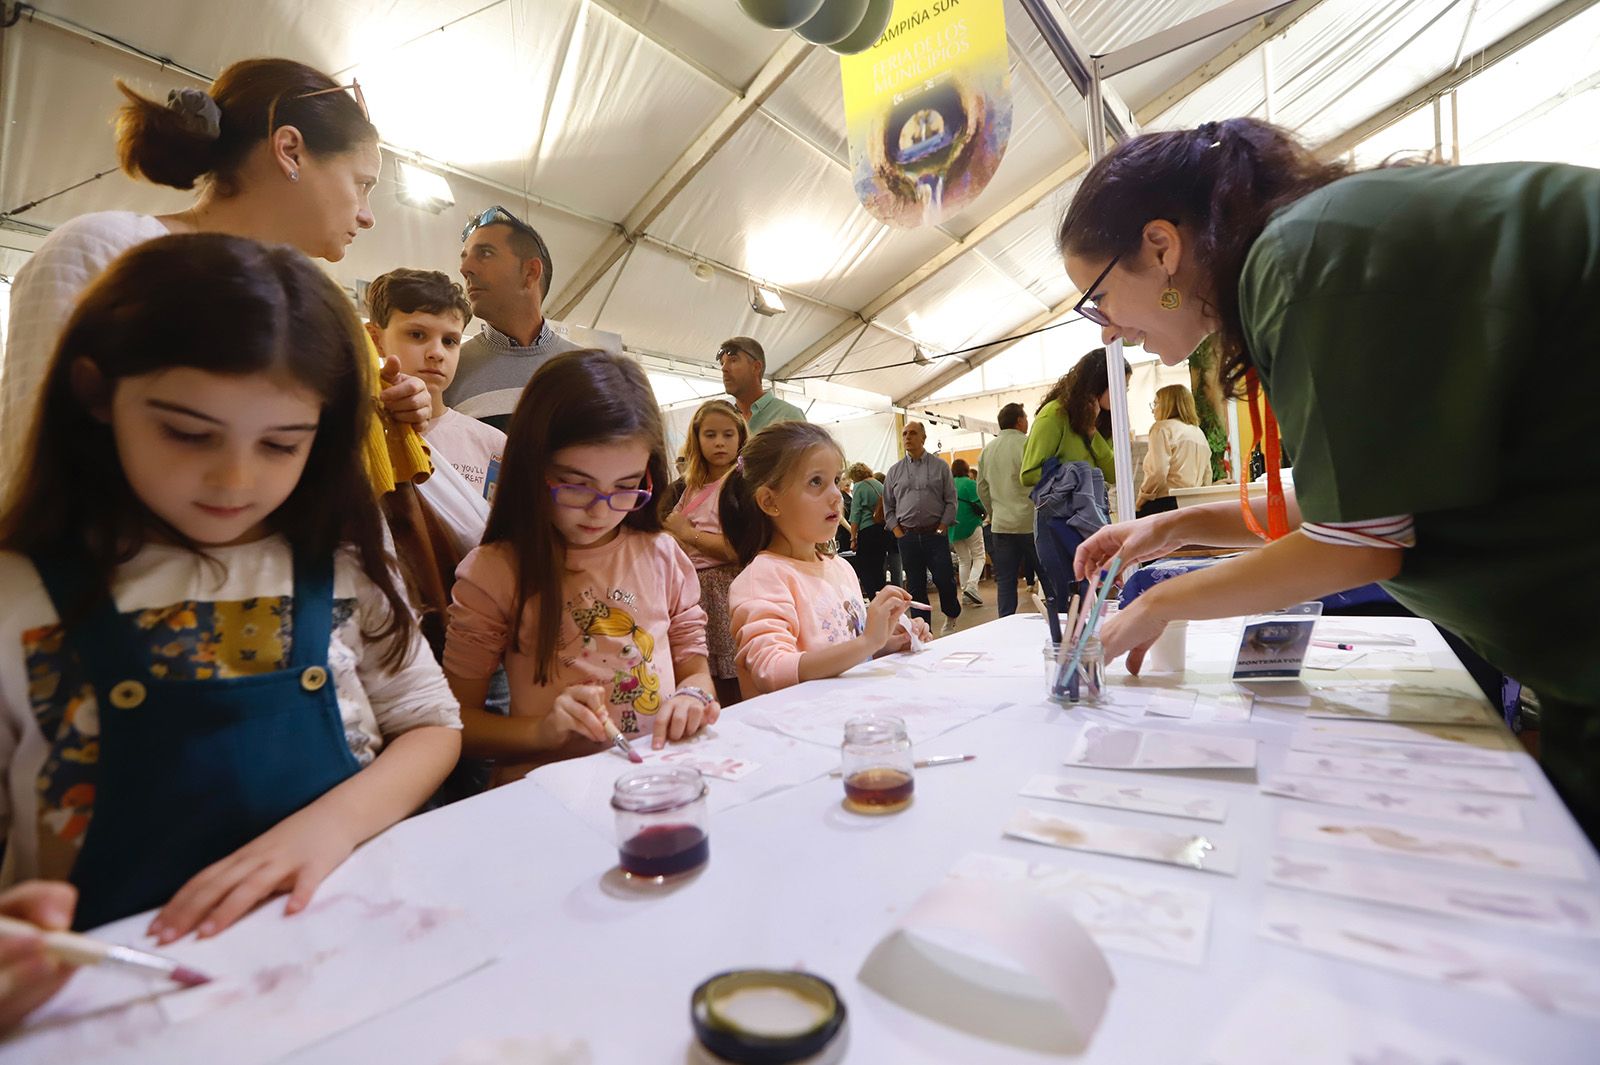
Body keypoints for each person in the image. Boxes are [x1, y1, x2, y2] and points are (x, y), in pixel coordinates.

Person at [1058, 116, 1600, 841]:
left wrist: (1165, 601)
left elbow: (1356, 543)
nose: (1106, 331)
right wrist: (1174, 525)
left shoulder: (1298, 258)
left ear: (1160, 247)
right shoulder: (1309, 250)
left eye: (1096, 297)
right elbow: (1360, 490)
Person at [0, 234, 462, 939]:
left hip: (344, 941)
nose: (236, 480)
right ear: (95, 393)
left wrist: (329, 827)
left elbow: (430, 724)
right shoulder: (19, 585)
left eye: (281, 443)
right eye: (188, 433)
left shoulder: (340, 554)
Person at [0, 57, 431, 496]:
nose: (367, 216)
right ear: (290, 151)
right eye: (362, 184)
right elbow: (31, 464)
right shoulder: (105, 249)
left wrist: (381, 416)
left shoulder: (318, 306)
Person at [444, 351, 717, 784]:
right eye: (575, 485)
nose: (600, 510)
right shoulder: (494, 573)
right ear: (532, 468)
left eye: (626, 487)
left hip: (658, 778)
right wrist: (541, 731)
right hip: (551, 794)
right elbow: (457, 724)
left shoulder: (662, 554)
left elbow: (694, 669)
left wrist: (693, 697)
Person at [722, 422, 927, 697]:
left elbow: (844, 649)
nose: (835, 495)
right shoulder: (762, 578)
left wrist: (888, 642)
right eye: (815, 482)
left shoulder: (840, 568)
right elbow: (771, 670)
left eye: (836, 480)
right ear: (770, 501)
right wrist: (868, 642)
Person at [365, 269, 504, 495]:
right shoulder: (354, 430)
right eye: (417, 335)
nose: (437, 353)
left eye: (450, 341)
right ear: (375, 340)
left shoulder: (493, 445)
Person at [447, 206, 580, 430]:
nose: (465, 268)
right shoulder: (447, 370)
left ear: (530, 272)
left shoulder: (590, 369)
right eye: (465, 257)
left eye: (485, 253)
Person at [662, 400, 747, 707]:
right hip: (692, 592)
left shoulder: (741, 485)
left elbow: (740, 548)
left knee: (734, 683)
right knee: (706, 681)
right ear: (697, 438)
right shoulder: (690, 487)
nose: (720, 442)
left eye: (727, 434)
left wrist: (688, 534)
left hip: (725, 589)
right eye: (710, 434)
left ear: (740, 437)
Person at [883, 421, 960, 634]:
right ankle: (922, 629)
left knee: (944, 579)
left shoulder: (940, 467)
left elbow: (951, 500)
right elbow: (888, 505)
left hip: (934, 534)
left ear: (923, 438)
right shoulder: (894, 471)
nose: (907, 437)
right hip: (908, 536)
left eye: (913, 433)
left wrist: (942, 527)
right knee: (915, 586)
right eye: (905, 433)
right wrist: (898, 532)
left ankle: (951, 614)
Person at [1019, 348, 1126, 490]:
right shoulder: (1054, 414)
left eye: (1125, 388)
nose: (1122, 393)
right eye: (1118, 386)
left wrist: (1091, 431)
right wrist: (1075, 477)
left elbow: (1114, 474)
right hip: (1066, 509)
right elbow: (1028, 474)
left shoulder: (1103, 419)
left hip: (1093, 507)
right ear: (1099, 383)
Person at [978, 402, 1044, 616]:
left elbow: (982, 488)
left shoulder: (987, 450)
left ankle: (1006, 625)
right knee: (1047, 577)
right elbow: (1040, 481)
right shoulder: (1028, 444)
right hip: (1031, 524)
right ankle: (1057, 625)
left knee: (1005, 583)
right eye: (1025, 418)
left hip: (1002, 527)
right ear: (1019, 421)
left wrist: (994, 512)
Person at [1137, 384, 1212, 517]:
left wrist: (1142, 499)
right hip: (1193, 505)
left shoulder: (1161, 429)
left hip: (1164, 504)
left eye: (1156, 403)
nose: (1153, 410)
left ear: (1168, 404)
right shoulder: (1198, 433)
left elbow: (1158, 472)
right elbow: (1207, 476)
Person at [717, 337, 805, 432]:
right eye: (722, 363)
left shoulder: (788, 417)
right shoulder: (722, 421)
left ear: (756, 367)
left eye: (733, 361)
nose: (724, 368)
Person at [846, 461, 888, 598]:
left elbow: (856, 513)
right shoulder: (878, 484)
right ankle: (883, 598)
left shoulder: (859, 486)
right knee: (878, 568)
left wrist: (853, 537)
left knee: (864, 567)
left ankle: (874, 598)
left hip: (867, 530)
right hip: (882, 529)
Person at [948, 458, 986, 607]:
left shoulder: (949, 485)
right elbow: (980, 503)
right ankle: (972, 586)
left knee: (964, 560)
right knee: (979, 556)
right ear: (966, 469)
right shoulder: (970, 483)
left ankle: (965, 595)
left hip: (953, 527)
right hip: (971, 524)